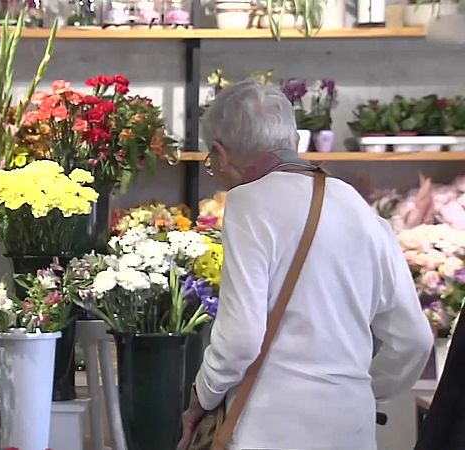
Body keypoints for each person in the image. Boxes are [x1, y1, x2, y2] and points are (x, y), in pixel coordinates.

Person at [178, 80, 433, 450]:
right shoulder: (358, 207)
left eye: (211, 161)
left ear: (221, 153)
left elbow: (240, 338)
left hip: (270, 427)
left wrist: (202, 395)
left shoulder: (248, 204)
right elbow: (414, 338)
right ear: (294, 141)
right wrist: (360, 388)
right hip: (352, 427)